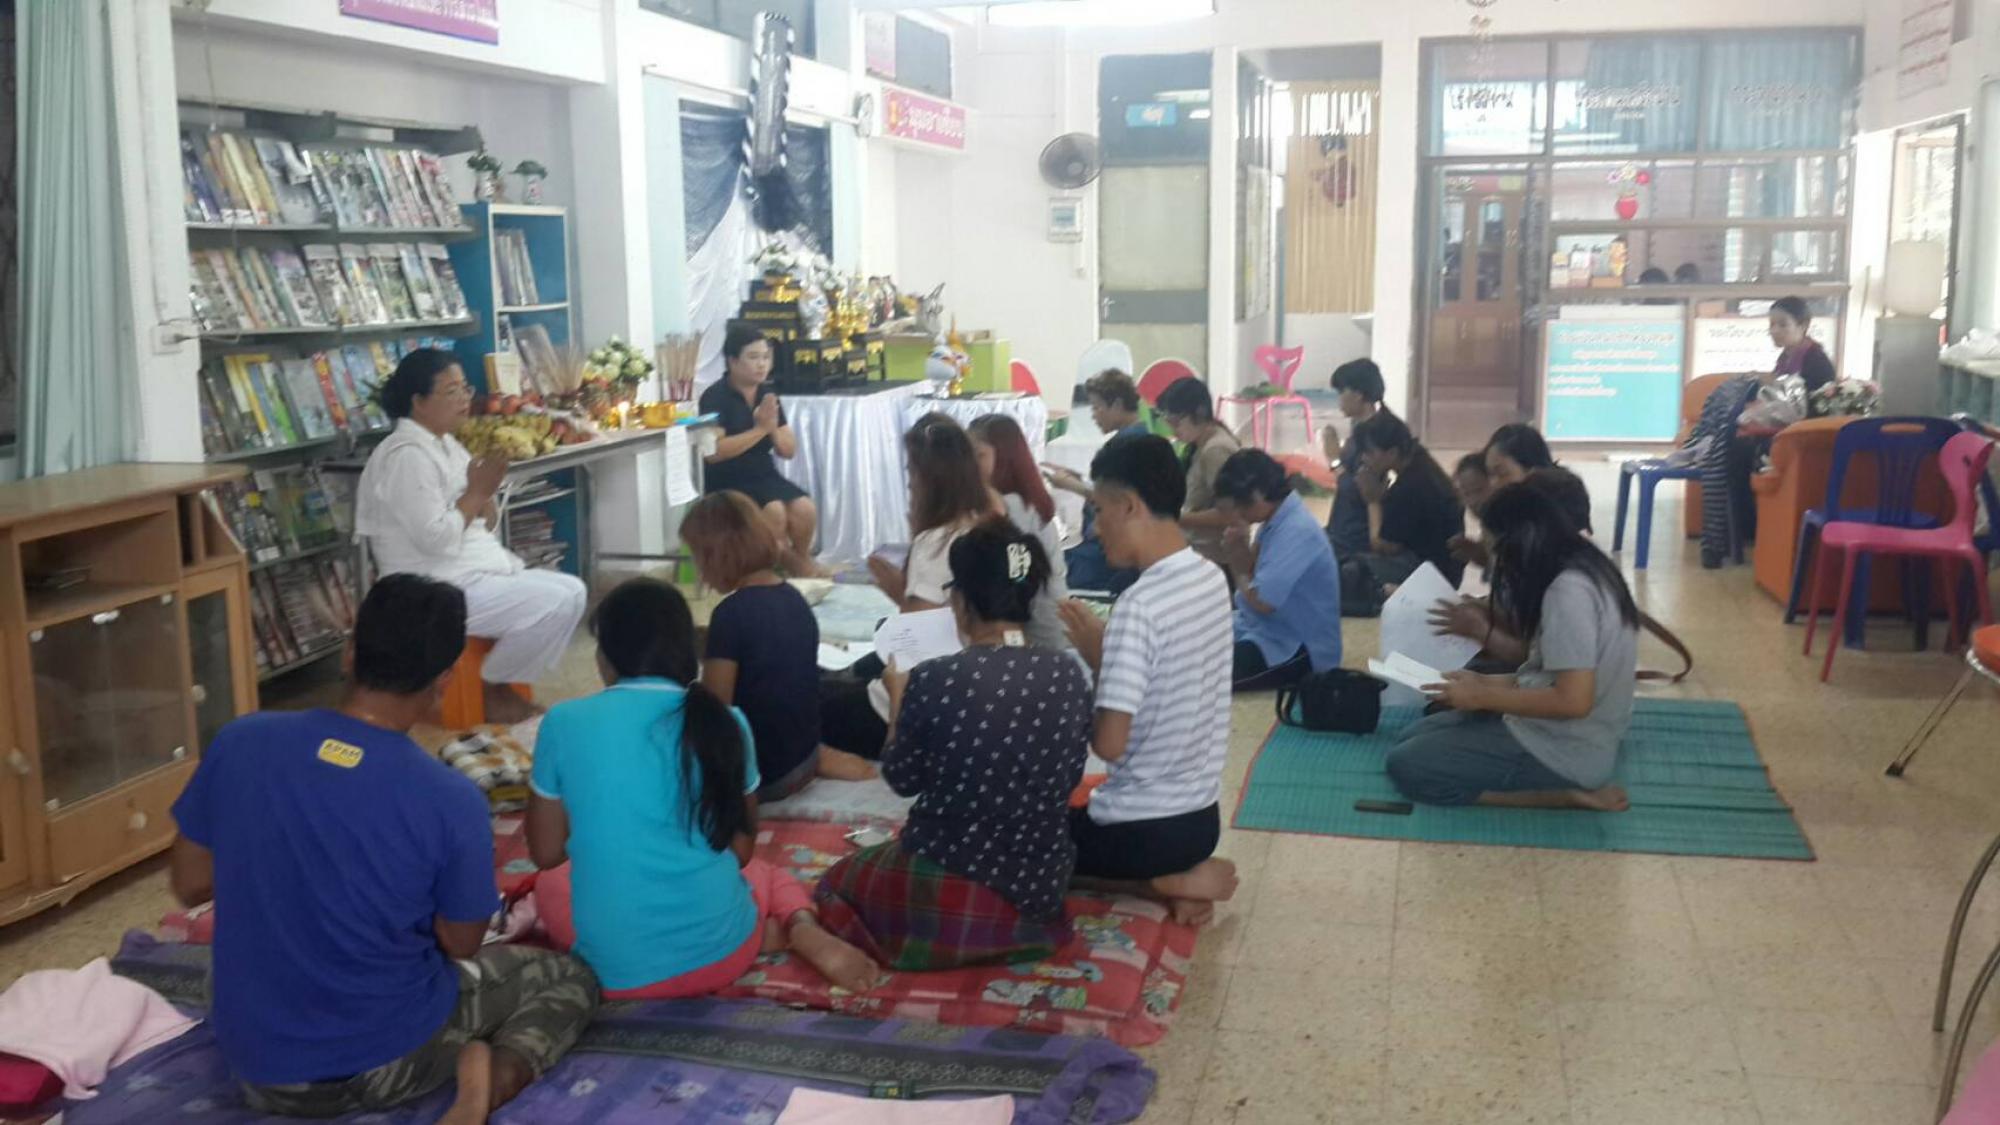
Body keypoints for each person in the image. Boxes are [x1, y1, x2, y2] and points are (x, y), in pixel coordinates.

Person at [168, 574, 599, 1123]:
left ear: (349, 652)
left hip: (255, 1064)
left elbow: (189, 884)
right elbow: (462, 943)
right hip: (383, 1062)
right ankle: (494, 1080)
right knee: (570, 978)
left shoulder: (240, 741)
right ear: (444, 680)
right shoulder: (450, 799)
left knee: (230, 971)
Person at [527, 578, 881, 1000]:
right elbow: (741, 852)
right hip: (724, 955)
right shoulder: (728, 722)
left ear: (604, 658)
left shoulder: (563, 722)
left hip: (615, 974)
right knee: (764, 872)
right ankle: (798, 926)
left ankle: (764, 932)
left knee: (550, 884)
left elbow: (547, 853)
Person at [814, 524, 1095, 970]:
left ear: (961, 601)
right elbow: (1070, 773)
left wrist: (897, 699)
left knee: (834, 883)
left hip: (951, 876)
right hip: (1041, 886)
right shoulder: (1068, 674)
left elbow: (902, 778)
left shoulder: (938, 676)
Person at [1056, 434, 1239, 925]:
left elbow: (1109, 745)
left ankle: (1156, 883)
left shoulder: (1139, 607)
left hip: (1139, 832)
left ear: (1130, 507)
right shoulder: (1210, 577)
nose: (1095, 528)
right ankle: (1178, 872)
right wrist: (1108, 658)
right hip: (1200, 821)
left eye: (1098, 511)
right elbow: (1168, 691)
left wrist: (1099, 660)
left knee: (1011, 845)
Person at [354, 348, 587, 724]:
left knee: (572, 592)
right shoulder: (405, 455)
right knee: (554, 602)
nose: (464, 399)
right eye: (451, 391)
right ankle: (493, 688)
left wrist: (484, 496)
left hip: (467, 573)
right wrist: (476, 494)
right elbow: (436, 539)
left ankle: (502, 681)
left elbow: (485, 522)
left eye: (465, 388)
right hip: (428, 589)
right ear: (418, 401)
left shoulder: (447, 444)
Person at [1387, 483, 1639, 812]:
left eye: (1494, 549)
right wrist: (1481, 682)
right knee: (1413, 736)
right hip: (1559, 730)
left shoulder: (1567, 593)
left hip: (1567, 749)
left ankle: (1562, 796)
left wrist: (1482, 697)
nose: (1494, 562)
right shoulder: (1581, 566)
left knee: (1407, 764)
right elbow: (1543, 673)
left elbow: (1574, 700)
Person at [821, 414, 1002, 771]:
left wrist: (900, 594)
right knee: (837, 684)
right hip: (977, 697)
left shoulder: (936, 542)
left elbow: (916, 650)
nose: (909, 484)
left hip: (918, 713)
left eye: (912, 473)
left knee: (802, 708)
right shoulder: (989, 526)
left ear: (930, 480)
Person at [681, 491, 844, 797]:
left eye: (699, 559)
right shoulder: (794, 598)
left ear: (718, 556)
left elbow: (716, 711)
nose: (700, 573)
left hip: (765, 774)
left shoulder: (730, 615)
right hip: (805, 758)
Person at [699, 326, 825, 576]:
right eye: (753, 357)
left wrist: (772, 429)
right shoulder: (715, 397)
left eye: (766, 357)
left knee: (804, 508)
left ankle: (799, 561)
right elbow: (713, 452)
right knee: (774, 510)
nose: (761, 364)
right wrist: (760, 430)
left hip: (763, 473)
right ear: (733, 361)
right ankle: (771, 569)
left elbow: (788, 450)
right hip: (726, 477)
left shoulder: (767, 395)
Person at [1213, 448, 1343, 690]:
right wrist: (1238, 549)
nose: (1237, 515)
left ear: (1258, 495)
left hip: (1297, 647)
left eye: (1239, 507)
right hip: (1262, 626)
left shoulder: (1296, 530)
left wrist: (1235, 564)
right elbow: (1253, 573)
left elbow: (1262, 600)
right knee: (1193, 645)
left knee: (1207, 672)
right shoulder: (1276, 519)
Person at [968, 413, 1072, 651]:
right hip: (1047, 624)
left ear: (1005, 458)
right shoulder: (1028, 500)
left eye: (979, 455)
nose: (969, 464)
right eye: (967, 455)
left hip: (1035, 632)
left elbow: (1006, 583)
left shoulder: (1010, 507)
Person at [1344, 411, 1465, 611]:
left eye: (1369, 452)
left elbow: (1382, 545)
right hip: (1445, 569)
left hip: (1433, 574)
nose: (1364, 459)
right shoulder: (1420, 460)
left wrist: (1372, 501)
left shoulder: (1411, 484)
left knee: (1351, 568)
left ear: (1392, 453)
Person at [1047, 369, 1149, 594]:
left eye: (1097, 407)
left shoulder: (1125, 447)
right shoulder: (1139, 438)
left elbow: (1119, 500)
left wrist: (1070, 485)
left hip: (1107, 553)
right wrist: (1079, 479)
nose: (1093, 415)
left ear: (1117, 404)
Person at [1155, 375, 1243, 569]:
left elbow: (1231, 514)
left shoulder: (1216, 450)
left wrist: (1173, 517)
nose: (1173, 430)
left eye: (1176, 423)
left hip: (1216, 560)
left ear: (1200, 412)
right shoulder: (1200, 443)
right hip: (1201, 554)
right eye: (1168, 422)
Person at [1321, 359, 1388, 561]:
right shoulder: (1360, 427)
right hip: (1342, 527)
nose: (1339, 399)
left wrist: (1334, 460)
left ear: (1358, 394)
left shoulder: (1375, 435)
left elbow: (1360, 490)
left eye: (1342, 392)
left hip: (1354, 537)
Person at [1769, 296, 1836, 405]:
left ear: (1803, 325)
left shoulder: (1816, 360)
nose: (1774, 330)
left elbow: (1819, 404)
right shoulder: (1784, 357)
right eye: (1772, 324)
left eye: (1783, 325)